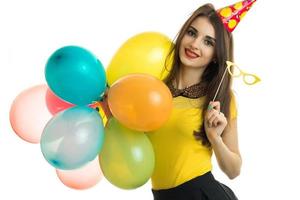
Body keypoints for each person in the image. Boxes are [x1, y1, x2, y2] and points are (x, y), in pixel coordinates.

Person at [147, 1, 257, 199]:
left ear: (216, 55)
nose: (194, 44)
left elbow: (234, 170)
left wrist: (215, 138)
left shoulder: (219, 100)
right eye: (191, 33)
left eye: (208, 42)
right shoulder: (154, 91)